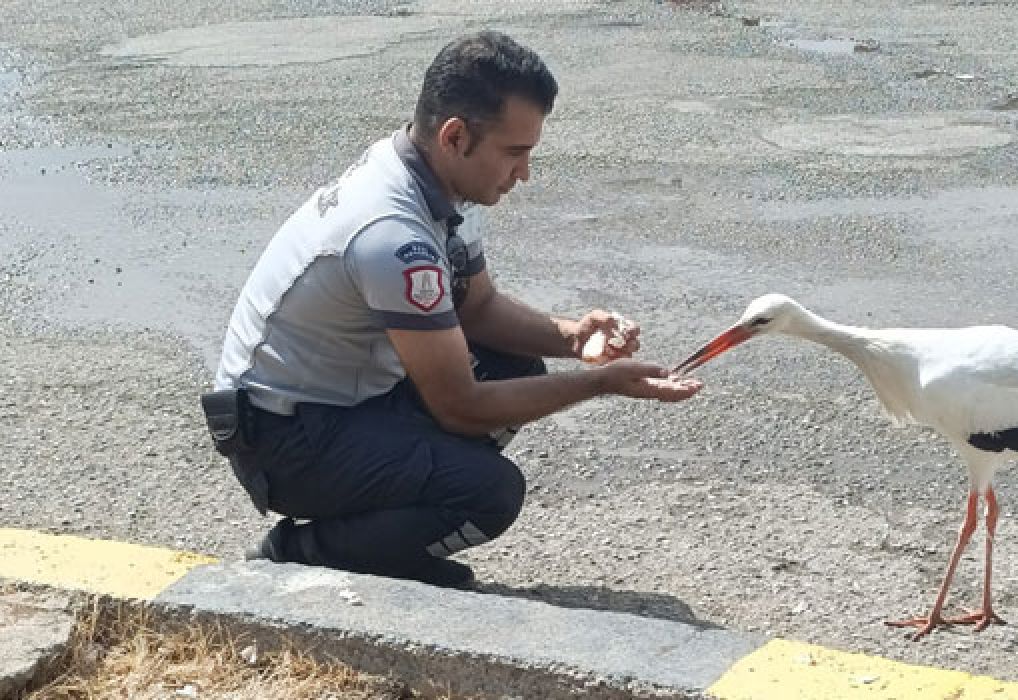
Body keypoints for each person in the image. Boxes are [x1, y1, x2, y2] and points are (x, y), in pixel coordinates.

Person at [204, 31, 702, 589]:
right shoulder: (392, 233)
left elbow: (477, 307)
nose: (525, 173)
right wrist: (601, 384)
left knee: (515, 368)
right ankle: (301, 552)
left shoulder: (434, 180)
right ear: (456, 136)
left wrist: (570, 335)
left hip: (332, 404)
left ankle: (384, 529)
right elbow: (460, 409)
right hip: (281, 440)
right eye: (515, 153)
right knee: (488, 492)